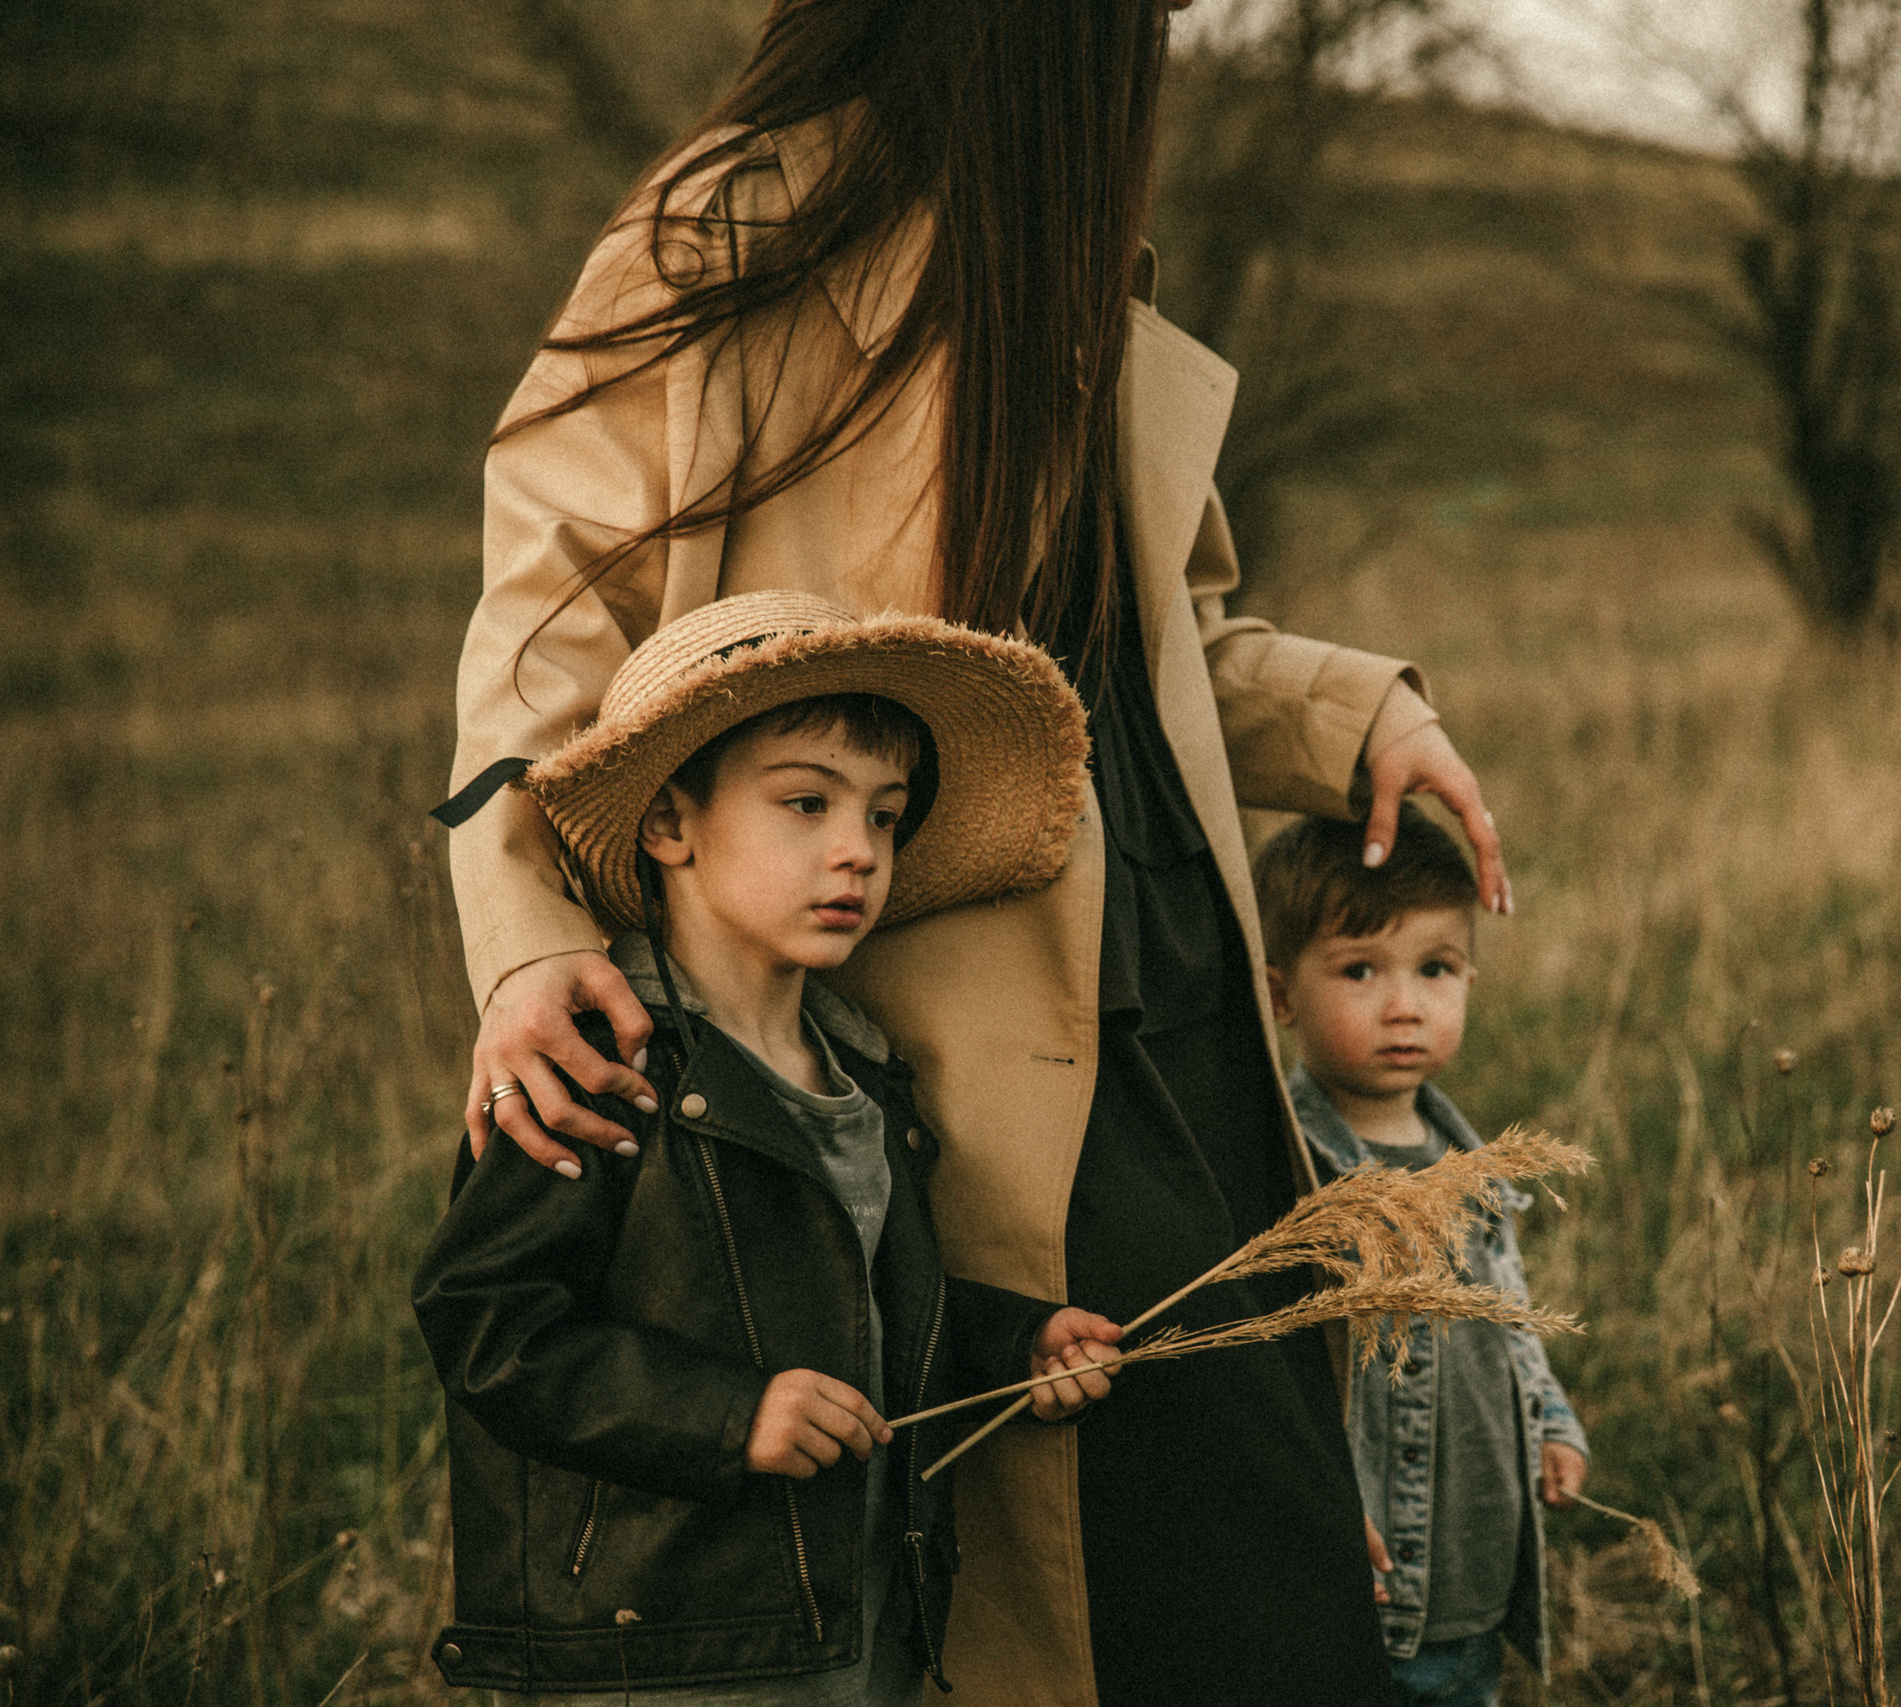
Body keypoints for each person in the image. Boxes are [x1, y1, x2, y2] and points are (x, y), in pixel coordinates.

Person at [440, 5, 1511, 1704]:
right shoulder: (730, 229)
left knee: (1261, 1577)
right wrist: (522, 936)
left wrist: (1356, 716)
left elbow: (1162, 643)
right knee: (1135, 1591)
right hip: (975, 1022)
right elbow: (545, 629)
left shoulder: (1087, 257)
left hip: (1188, 1011)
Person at [416, 595, 1125, 1702]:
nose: (857, 851)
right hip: (663, 1653)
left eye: (885, 818)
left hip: (856, 1640)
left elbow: (861, 1296)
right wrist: (727, 1414)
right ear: (669, 826)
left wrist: (1011, 1341)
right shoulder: (598, 1069)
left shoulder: (864, 1072)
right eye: (806, 803)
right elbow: (486, 1322)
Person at [1255, 806, 1591, 1707]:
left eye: (1435, 969)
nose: (1405, 1004)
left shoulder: (1474, 1167)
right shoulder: (1288, 1173)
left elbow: (1512, 1316)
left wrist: (1551, 1418)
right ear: (1281, 997)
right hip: (1353, 1589)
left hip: (1468, 1577)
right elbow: (1277, 1382)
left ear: (1470, 977)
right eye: (1361, 970)